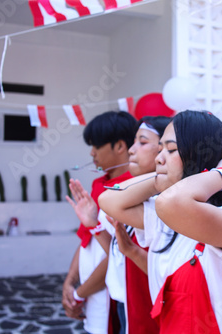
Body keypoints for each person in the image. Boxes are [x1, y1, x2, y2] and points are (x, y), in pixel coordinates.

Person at [99, 110, 222, 333]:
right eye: (160, 148)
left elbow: (170, 203)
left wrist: (220, 174)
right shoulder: (165, 219)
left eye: (171, 149)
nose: (158, 158)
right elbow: (109, 200)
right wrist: (160, 179)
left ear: (198, 154)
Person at [67, 116, 170, 334]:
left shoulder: (161, 205)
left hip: (143, 312)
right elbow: (118, 252)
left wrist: (79, 293)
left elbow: (152, 269)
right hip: (124, 304)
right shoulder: (136, 197)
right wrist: (93, 225)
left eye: (141, 143)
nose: (132, 150)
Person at [62, 110, 137, 334]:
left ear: (120, 146)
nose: (92, 153)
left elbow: (119, 253)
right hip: (89, 292)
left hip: (112, 296)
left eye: (96, 146)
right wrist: (69, 281)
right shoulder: (99, 184)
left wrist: (78, 294)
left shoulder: (134, 188)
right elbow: (86, 238)